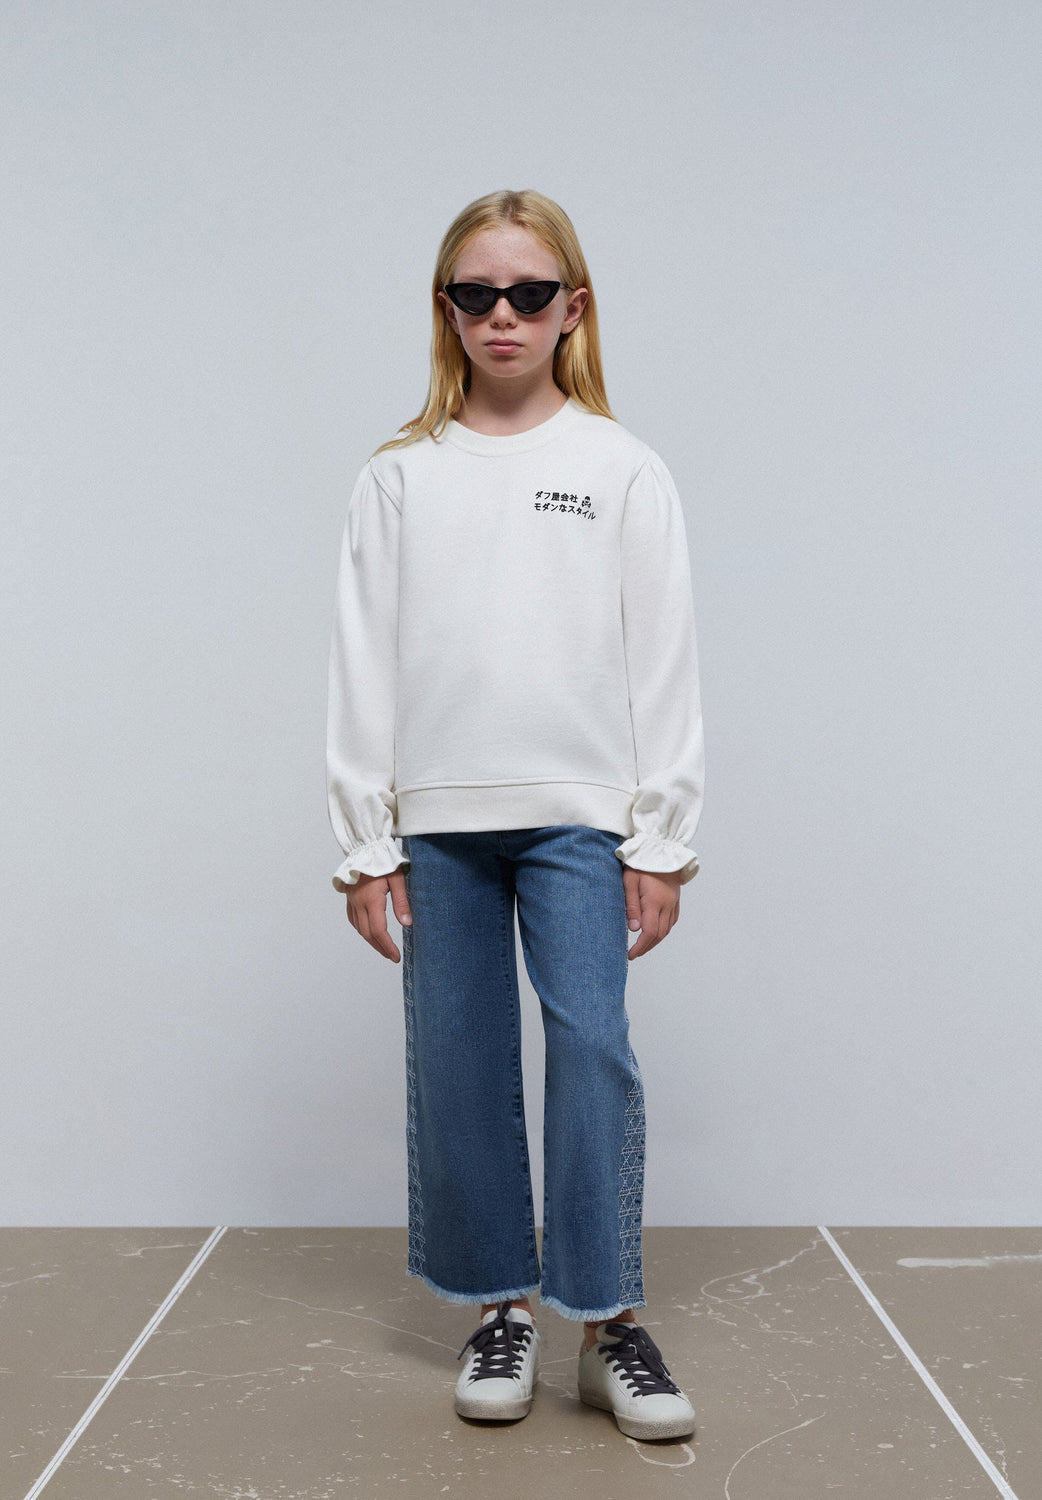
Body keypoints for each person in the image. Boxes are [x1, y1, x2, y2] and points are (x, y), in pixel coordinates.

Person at [326, 189, 705, 1442]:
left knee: (590, 1045)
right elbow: (362, 664)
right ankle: (501, 1306)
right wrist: (365, 844)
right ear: (445, 310)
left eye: (529, 293)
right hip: (438, 820)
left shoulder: (619, 468)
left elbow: (663, 658)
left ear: (572, 308)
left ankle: (607, 1324)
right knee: (459, 1060)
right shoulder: (400, 477)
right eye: (477, 294)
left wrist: (661, 836)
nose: (503, 315)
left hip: (578, 816)